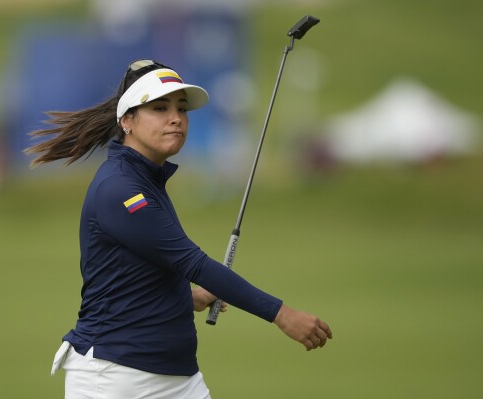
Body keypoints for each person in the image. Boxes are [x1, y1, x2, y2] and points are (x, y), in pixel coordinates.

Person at [26, 59, 332, 399]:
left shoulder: (146, 179)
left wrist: (183, 297)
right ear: (127, 120)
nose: (176, 118)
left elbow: (136, 270)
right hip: (113, 377)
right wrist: (281, 314)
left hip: (176, 378)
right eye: (160, 108)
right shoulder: (121, 189)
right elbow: (193, 263)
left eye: (181, 109)